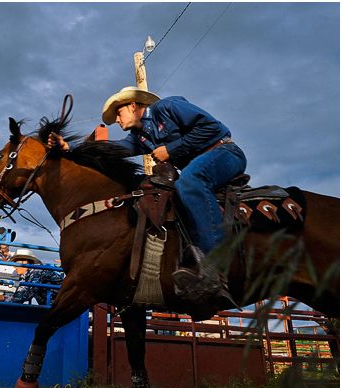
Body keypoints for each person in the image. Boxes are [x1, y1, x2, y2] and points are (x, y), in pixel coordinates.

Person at [48, 86, 246, 300]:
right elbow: (112, 149)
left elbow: (213, 128)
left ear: (133, 105)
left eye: (119, 113)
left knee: (190, 182)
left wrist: (170, 150)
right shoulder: (139, 137)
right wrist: (68, 147)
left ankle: (213, 268)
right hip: (199, 165)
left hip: (225, 152)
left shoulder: (168, 106)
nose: (117, 120)